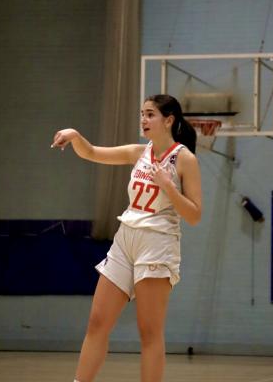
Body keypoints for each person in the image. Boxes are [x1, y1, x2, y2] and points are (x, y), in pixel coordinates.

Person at [51, 94, 202, 382]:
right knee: (97, 323)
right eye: (141, 114)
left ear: (168, 120)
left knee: (149, 332)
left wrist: (169, 188)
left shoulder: (185, 159)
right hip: (126, 239)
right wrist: (75, 136)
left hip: (158, 243)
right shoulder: (138, 152)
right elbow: (92, 152)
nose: (143, 120)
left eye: (150, 114)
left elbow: (194, 215)